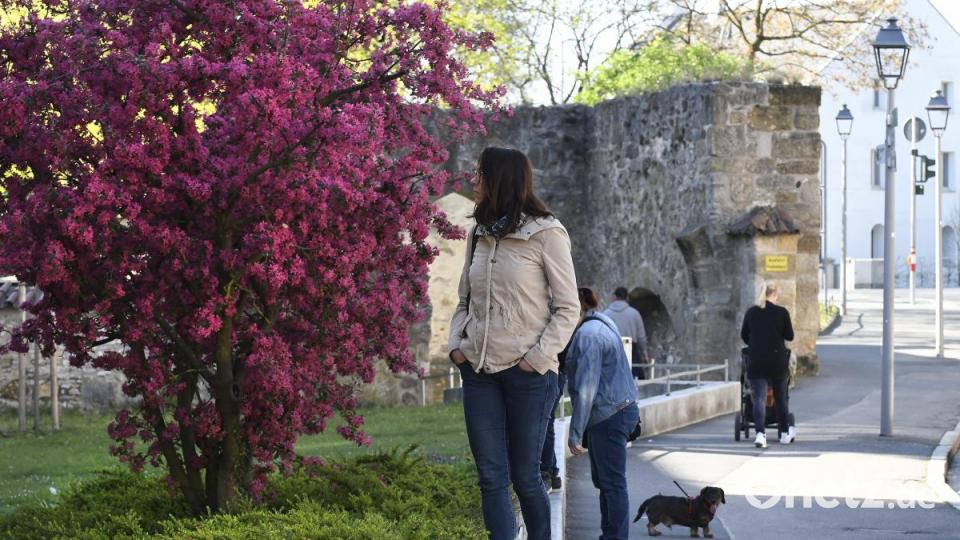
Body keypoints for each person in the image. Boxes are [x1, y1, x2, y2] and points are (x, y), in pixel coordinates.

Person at [448, 146, 579, 540]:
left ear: (499, 180)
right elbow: (464, 299)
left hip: (529, 376)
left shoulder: (547, 233)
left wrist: (536, 359)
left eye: (480, 174)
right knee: (491, 477)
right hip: (479, 371)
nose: (473, 180)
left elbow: (569, 308)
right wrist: (457, 346)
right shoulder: (478, 233)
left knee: (526, 477)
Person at [566, 287, 640, 540]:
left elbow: (586, 389)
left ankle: (614, 537)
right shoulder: (604, 323)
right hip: (621, 410)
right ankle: (609, 535)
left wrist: (575, 434)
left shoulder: (588, 336)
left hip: (609, 416)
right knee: (607, 483)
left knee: (612, 484)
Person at [740, 282, 795, 449]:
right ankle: (784, 433)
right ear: (775, 294)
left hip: (756, 361)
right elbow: (790, 336)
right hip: (777, 361)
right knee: (781, 398)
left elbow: (744, 335)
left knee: (758, 398)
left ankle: (760, 435)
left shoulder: (751, 312)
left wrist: (757, 343)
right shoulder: (782, 312)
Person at [602, 286, 649, 378]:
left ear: (615, 297)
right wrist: (645, 353)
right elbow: (641, 338)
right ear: (627, 297)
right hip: (631, 352)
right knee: (636, 380)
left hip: (612, 352)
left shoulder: (606, 314)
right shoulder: (634, 313)